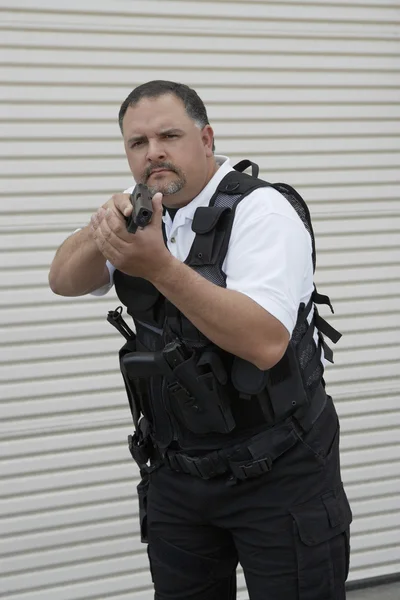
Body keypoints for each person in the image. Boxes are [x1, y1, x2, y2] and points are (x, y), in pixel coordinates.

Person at [49, 80, 352, 600]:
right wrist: (103, 224)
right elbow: (63, 279)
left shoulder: (263, 212)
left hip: (279, 469)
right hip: (177, 472)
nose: (154, 153)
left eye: (169, 135)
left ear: (206, 139)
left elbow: (264, 342)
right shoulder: (141, 215)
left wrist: (160, 267)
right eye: (137, 144)